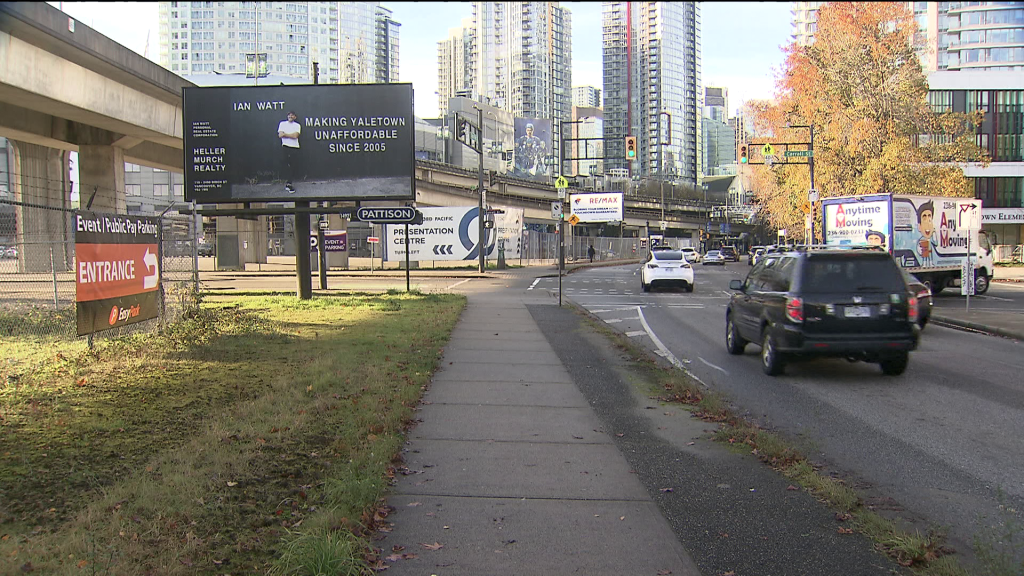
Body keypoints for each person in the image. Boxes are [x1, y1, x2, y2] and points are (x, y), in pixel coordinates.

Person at [278, 111, 301, 193]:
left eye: (292, 115)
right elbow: (280, 135)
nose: (290, 116)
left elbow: (295, 136)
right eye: (289, 115)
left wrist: (285, 134)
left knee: (293, 166)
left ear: (295, 117)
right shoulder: (282, 124)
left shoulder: (297, 125)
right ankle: (288, 183)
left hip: (295, 148)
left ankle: (289, 184)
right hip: (285, 147)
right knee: (286, 165)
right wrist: (289, 135)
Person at [915, 200, 936, 266]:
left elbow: (936, 243)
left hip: (929, 250)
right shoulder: (922, 239)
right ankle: (924, 263)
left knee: (930, 255)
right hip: (925, 249)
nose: (928, 225)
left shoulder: (931, 237)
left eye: (930, 221)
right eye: (924, 220)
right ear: (919, 227)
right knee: (925, 255)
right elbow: (919, 246)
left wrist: (934, 234)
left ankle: (930, 263)